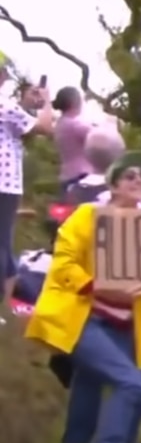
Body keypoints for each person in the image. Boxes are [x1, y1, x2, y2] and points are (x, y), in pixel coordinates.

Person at [25, 151, 141, 443]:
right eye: (130, 176)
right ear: (114, 184)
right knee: (131, 383)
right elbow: (63, 264)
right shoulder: (88, 215)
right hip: (84, 318)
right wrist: (96, 285)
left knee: (130, 386)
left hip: (124, 322)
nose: (139, 181)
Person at [0, 53, 54, 310]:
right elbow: (44, 128)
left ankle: (6, 305)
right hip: (5, 183)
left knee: (6, 243)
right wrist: (46, 101)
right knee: (2, 245)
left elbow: (22, 133)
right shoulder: (4, 105)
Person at [52, 87, 94, 189]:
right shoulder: (75, 124)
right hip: (82, 175)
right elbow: (102, 137)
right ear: (75, 102)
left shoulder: (60, 123)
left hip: (66, 176)